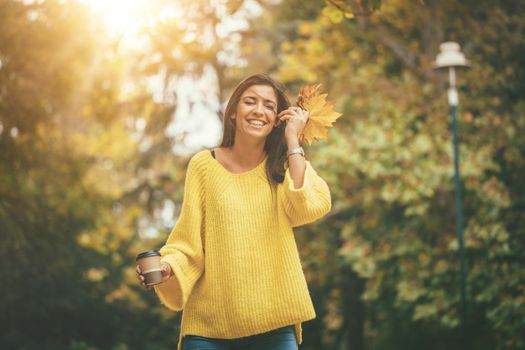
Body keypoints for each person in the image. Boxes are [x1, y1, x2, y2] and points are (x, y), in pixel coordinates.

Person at [136, 73, 331, 350]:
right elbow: (187, 242)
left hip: (274, 326)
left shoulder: (283, 167)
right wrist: (167, 268)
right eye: (250, 101)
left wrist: (292, 139)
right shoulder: (204, 166)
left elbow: (307, 207)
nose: (258, 110)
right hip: (208, 330)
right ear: (233, 114)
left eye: (269, 105)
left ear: (277, 119)